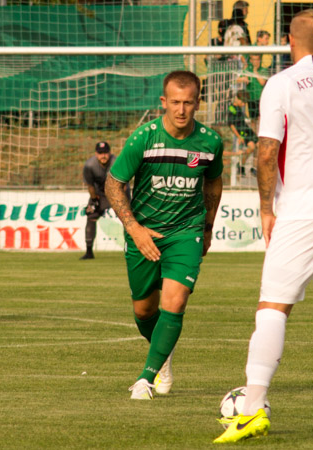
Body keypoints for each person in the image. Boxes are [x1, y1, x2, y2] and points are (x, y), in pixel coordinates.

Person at [214, 10, 313, 444]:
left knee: (272, 307)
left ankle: (251, 410)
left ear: (290, 40)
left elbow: (267, 152)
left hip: (303, 209)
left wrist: (267, 208)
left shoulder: (281, 84)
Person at [105, 71, 224, 400]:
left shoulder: (211, 142)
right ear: (163, 102)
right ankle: (164, 354)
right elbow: (113, 184)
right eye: (175, 102)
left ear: (198, 102)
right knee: (144, 311)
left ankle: (145, 378)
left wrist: (208, 227)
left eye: (188, 103)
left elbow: (213, 182)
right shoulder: (143, 138)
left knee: (176, 300)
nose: (181, 110)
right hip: (144, 233)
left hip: (186, 232)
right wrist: (134, 228)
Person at [80, 141, 121, 260]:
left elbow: (124, 183)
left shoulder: (117, 162)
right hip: (99, 194)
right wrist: (94, 200)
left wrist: (121, 199)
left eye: (105, 153)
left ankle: (132, 250)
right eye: (100, 153)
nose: (103, 155)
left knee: (128, 219)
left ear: (110, 153)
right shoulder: (89, 165)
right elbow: (90, 185)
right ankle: (89, 252)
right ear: (96, 154)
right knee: (91, 216)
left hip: (118, 191)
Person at [227, 91, 257, 176]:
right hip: (242, 132)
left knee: (260, 144)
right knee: (251, 147)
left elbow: (248, 116)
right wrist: (239, 136)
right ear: (236, 99)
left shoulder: (240, 107)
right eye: (243, 102)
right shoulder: (232, 109)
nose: (244, 104)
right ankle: (241, 165)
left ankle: (253, 168)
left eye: (245, 103)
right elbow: (231, 125)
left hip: (247, 129)